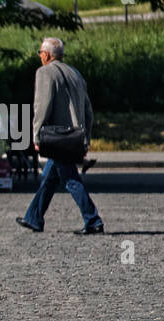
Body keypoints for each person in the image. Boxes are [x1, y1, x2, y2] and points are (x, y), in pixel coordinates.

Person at [16, 37, 103, 235]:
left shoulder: (45, 73)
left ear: (46, 54)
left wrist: (37, 136)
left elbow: (42, 107)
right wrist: (86, 137)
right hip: (75, 136)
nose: (39, 56)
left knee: (71, 179)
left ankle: (93, 220)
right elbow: (88, 110)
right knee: (49, 177)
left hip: (58, 138)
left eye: (40, 53)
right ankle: (34, 218)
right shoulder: (75, 73)